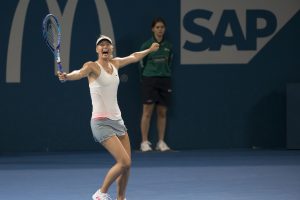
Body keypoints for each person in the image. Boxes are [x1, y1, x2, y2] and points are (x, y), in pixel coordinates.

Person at [58, 35, 159, 200]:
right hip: (100, 122)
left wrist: (149, 50)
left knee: (127, 166)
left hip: (118, 121)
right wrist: (68, 76)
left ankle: (121, 198)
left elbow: (133, 57)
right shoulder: (92, 66)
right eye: (101, 45)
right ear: (97, 49)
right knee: (124, 162)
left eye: (108, 44)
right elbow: (80, 73)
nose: (105, 47)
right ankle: (100, 193)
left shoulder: (116, 63)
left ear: (111, 49)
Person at [139, 17, 173, 152]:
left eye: (162, 27)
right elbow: (141, 64)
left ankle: (161, 142)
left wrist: (164, 73)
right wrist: (146, 78)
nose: (160, 30)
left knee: (162, 112)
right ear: (153, 29)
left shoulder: (169, 46)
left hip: (165, 80)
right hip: (149, 80)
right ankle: (144, 142)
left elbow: (169, 62)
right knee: (147, 112)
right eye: (157, 27)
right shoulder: (146, 45)